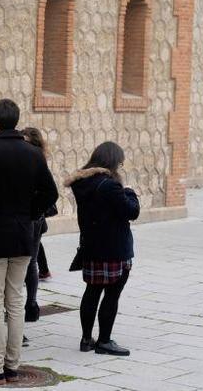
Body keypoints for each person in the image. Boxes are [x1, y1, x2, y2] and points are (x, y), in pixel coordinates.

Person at [0, 99, 58, 386]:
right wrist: (31, 213)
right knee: (15, 300)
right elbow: (50, 193)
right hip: (22, 235)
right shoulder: (33, 153)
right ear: (16, 121)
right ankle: (12, 365)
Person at [66, 142, 139, 357]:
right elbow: (131, 211)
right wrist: (131, 192)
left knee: (91, 292)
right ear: (113, 161)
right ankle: (105, 341)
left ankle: (86, 339)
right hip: (114, 249)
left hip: (92, 247)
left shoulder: (83, 183)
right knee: (112, 295)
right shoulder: (110, 185)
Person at [22, 127, 57, 323]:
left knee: (30, 262)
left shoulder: (36, 162)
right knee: (27, 262)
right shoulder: (35, 159)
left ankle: (31, 303)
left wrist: (36, 212)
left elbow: (49, 192)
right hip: (29, 218)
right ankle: (29, 304)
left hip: (33, 220)